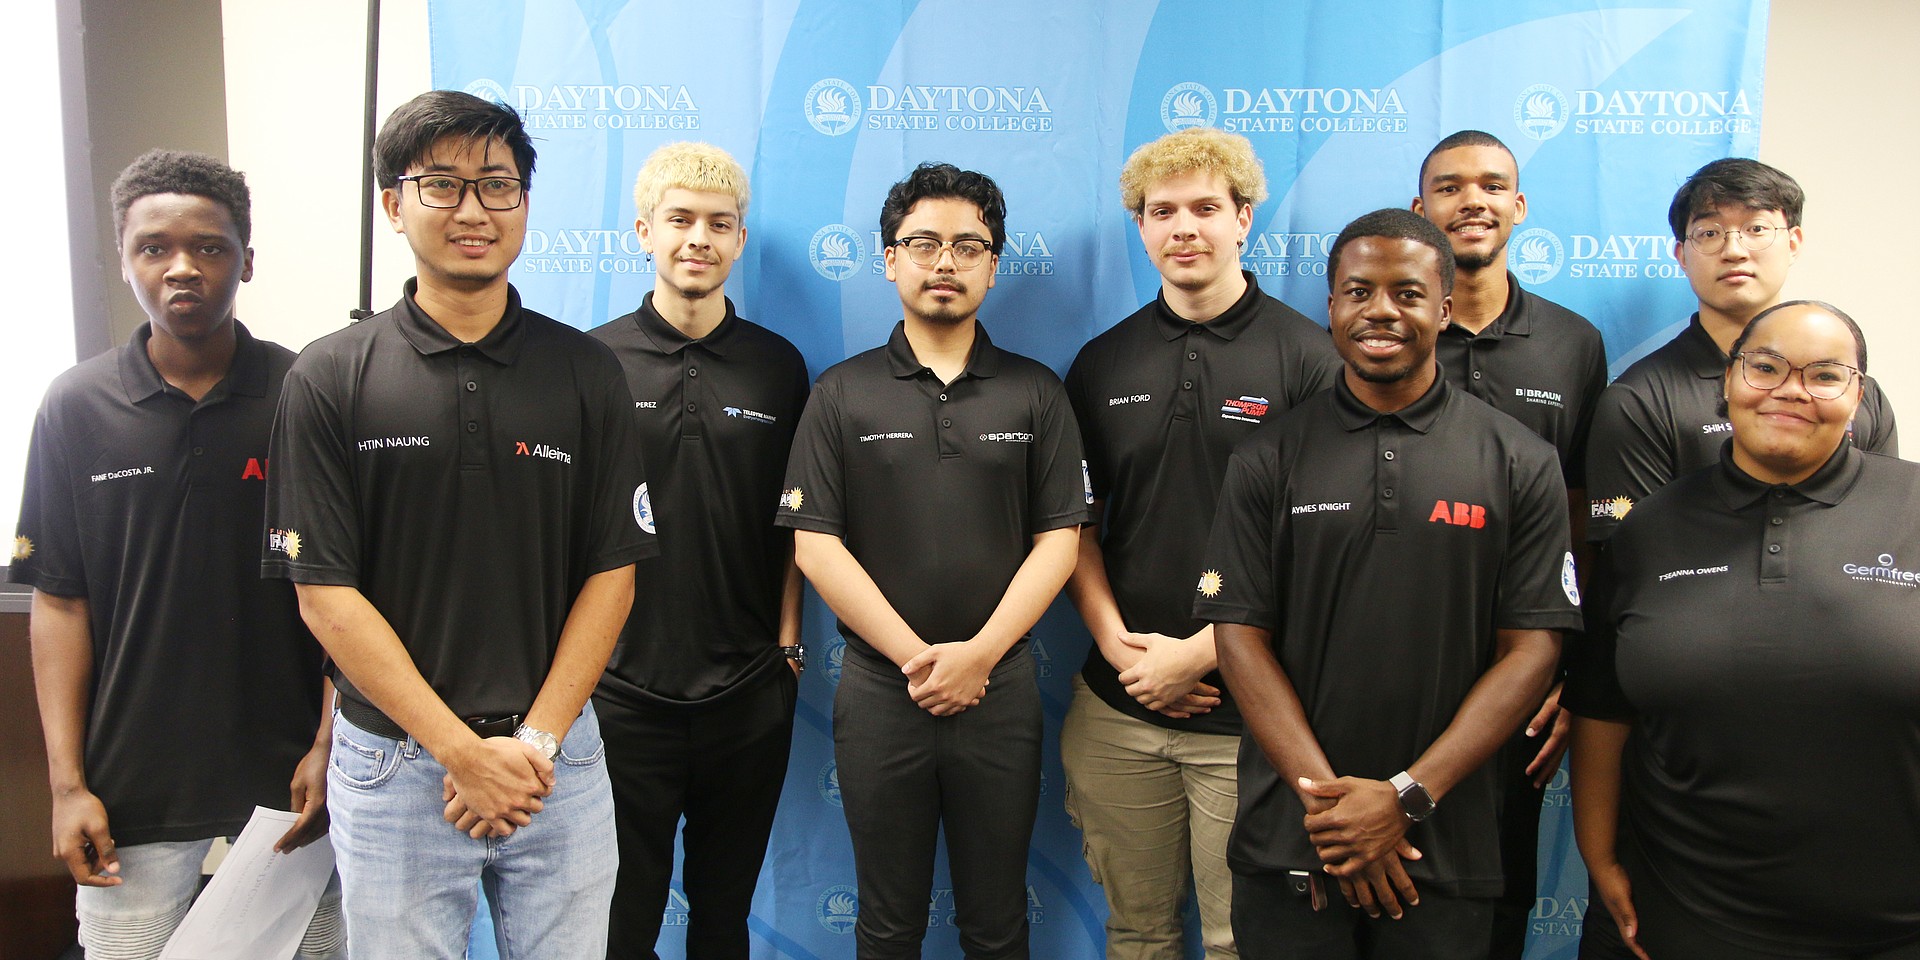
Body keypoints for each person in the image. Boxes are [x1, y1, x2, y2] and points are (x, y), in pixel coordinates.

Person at [262, 90, 653, 958]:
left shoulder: (586, 370)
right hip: (398, 763)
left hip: (559, 759)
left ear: (523, 204)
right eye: (441, 185)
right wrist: (459, 752)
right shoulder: (330, 376)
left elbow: (613, 572)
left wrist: (534, 742)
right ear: (394, 204)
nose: (473, 210)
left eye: (497, 185)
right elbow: (324, 595)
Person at [1197, 208, 1581, 959]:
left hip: (1447, 843)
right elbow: (1238, 638)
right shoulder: (1268, 457)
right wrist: (1339, 813)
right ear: (1332, 308)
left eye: (1406, 293)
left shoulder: (1519, 459)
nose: (1380, 311)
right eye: (1357, 292)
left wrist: (1405, 798)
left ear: (1443, 308)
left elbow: (1533, 651)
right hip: (1295, 843)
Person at [11, 149, 342, 960]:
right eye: (154, 247)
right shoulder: (74, 405)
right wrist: (67, 786)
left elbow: (343, 585)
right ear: (123, 261)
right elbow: (59, 600)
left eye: (211, 246)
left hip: (291, 787)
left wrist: (331, 747)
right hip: (131, 791)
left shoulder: (307, 392)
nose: (182, 267)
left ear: (248, 261)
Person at [777, 161, 1088, 960]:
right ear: (889, 259)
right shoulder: (840, 393)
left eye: (966, 245)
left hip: (1002, 687)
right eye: (923, 243)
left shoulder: (1037, 393)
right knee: (887, 924)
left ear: (993, 262)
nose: (944, 261)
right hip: (884, 692)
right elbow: (815, 543)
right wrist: (920, 659)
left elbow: (1061, 539)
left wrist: (978, 657)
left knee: (996, 922)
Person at [1567, 301, 1920, 960]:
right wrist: (1598, 856)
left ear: (1858, 396)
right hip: (1681, 919)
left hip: (1892, 929)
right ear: (1728, 381)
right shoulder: (1649, 529)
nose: (1791, 390)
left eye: (1823, 375)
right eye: (1766, 367)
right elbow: (1599, 709)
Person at [1061, 126, 1339, 960]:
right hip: (1118, 709)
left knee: (1237, 941)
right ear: (1141, 228)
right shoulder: (1101, 363)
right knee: (1137, 936)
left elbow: (1324, 546)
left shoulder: (1308, 360)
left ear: (1245, 218)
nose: (1184, 227)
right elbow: (1074, 526)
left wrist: (1200, 655)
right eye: (1161, 210)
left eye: (1205, 207)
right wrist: (1119, 649)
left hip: (1254, 716)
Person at [588, 141, 810, 959]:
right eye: (679, 220)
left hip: (748, 687)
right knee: (623, 919)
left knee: (723, 918)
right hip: (618, 691)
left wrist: (787, 643)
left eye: (719, 224)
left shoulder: (779, 368)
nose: (698, 239)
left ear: (739, 241)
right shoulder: (589, 361)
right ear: (645, 229)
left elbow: (799, 521)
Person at [1411, 129, 1609, 957]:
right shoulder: (1377, 334)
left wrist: (1567, 662)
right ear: (1421, 211)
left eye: (1492, 185)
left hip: (1520, 666)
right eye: (1450, 188)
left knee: (1499, 890)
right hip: (1395, 660)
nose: (1472, 201)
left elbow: (1583, 516)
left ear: (1518, 207)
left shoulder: (1573, 343)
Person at [1584, 158, 1895, 545]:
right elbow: (1631, 560)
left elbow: (1888, 533)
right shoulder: (1640, 400)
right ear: (1681, 255)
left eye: (1756, 229)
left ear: (1793, 242)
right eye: (1710, 232)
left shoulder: (1853, 391)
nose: (1734, 250)